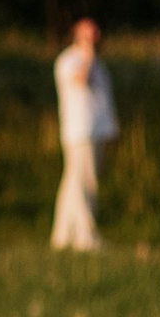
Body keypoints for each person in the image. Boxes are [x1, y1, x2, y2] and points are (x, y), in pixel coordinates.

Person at [52, 17, 118, 251]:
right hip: (80, 132)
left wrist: (112, 129)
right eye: (88, 36)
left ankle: (62, 236)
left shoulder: (98, 64)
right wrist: (88, 54)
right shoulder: (69, 61)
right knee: (84, 184)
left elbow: (103, 101)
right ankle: (85, 236)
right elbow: (80, 81)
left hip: (97, 130)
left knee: (73, 184)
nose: (94, 41)